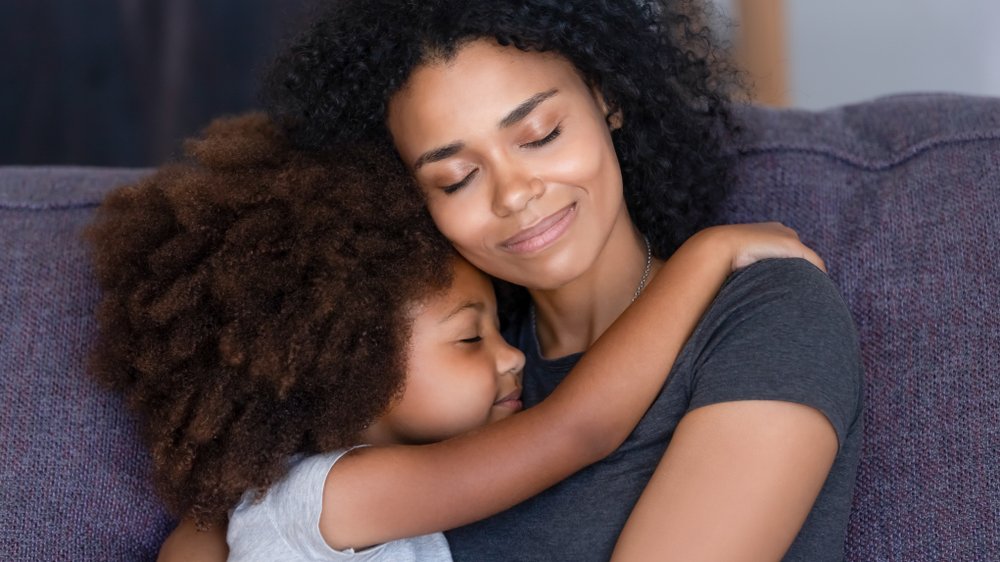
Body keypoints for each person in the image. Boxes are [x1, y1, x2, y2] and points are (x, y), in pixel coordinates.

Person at [88, 113, 824, 561]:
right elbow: (577, 430)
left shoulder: (273, 506)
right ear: (357, 372)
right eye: (470, 340)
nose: (513, 358)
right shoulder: (340, 494)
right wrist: (704, 256)